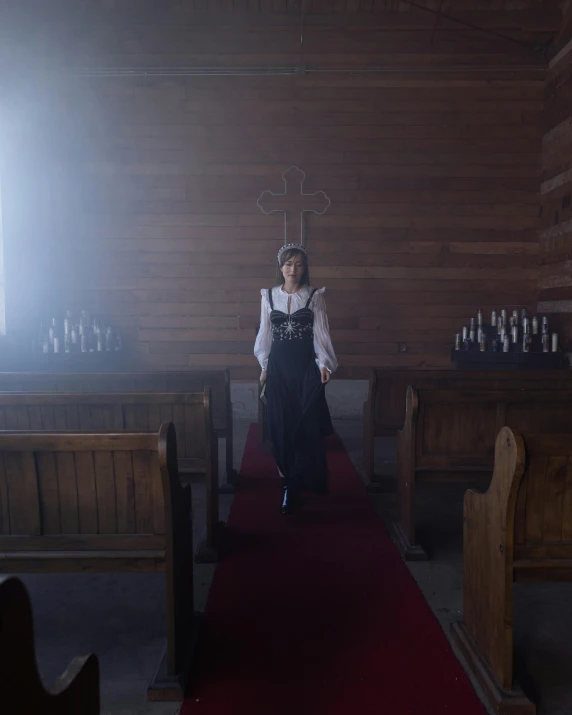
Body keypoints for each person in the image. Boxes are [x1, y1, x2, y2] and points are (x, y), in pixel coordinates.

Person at [254, 243, 338, 515]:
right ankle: (288, 484)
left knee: (306, 423)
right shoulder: (268, 296)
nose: (294, 269)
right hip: (278, 368)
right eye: (289, 264)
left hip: (306, 369)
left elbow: (321, 333)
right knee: (281, 426)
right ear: (281, 267)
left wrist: (324, 363)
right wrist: (264, 365)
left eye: (299, 264)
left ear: (305, 268)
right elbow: (265, 335)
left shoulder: (314, 296)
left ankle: (303, 478)